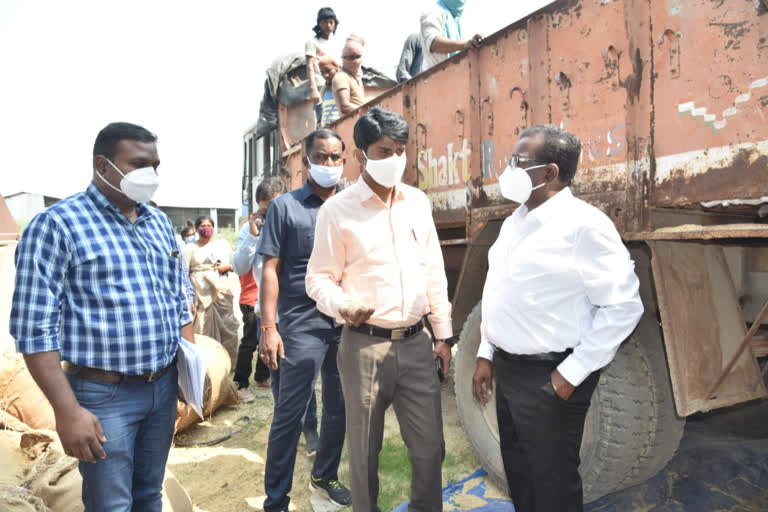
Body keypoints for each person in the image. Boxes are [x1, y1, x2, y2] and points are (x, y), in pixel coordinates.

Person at [10, 122, 194, 511]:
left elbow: (180, 298)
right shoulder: (58, 225)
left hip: (161, 388)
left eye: (155, 165)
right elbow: (33, 330)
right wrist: (67, 411)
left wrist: (188, 371)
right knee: (111, 505)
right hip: (103, 397)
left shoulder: (158, 223)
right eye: (139, 164)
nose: (151, 175)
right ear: (103, 165)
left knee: (149, 494)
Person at [471, 125, 644, 512]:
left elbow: (625, 306)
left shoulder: (585, 226)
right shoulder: (515, 220)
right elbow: (498, 289)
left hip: (550, 377)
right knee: (521, 475)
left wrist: (569, 375)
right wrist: (486, 352)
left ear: (549, 173)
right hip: (511, 372)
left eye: (518, 161)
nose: (508, 168)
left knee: (553, 487)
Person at [306, 107, 454, 512]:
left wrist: (443, 334)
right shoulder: (338, 211)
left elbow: (434, 271)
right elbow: (317, 278)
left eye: (401, 150)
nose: (395, 159)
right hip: (364, 348)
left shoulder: (417, 203)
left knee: (430, 449)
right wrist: (342, 303)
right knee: (364, 453)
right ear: (361, 155)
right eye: (384, 150)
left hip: (416, 344)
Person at [258, 128, 351, 511]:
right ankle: (276, 500)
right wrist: (269, 328)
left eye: (336, 157)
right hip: (299, 323)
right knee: (290, 413)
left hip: (345, 322)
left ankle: (324, 476)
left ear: (344, 161)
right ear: (305, 161)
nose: (329, 164)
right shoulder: (285, 208)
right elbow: (270, 270)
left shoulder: (351, 205)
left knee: (340, 406)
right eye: (322, 156)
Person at [231, 181, 285, 402]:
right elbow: (240, 266)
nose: (271, 215)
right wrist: (253, 237)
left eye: (275, 208)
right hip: (259, 299)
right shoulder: (250, 230)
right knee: (251, 342)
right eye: (265, 210)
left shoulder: (292, 222)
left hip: (288, 303)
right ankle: (241, 383)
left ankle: (267, 379)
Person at [183, 215, 240, 366]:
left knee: (227, 328)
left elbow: (234, 265)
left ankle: (228, 364)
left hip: (221, 295)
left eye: (209, 226)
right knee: (201, 328)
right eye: (202, 226)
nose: (206, 229)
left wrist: (225, 267)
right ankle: (204, 366)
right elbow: (183, 274)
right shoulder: (189, 249)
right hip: (201, 296)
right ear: (196, 229)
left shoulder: (222, 245)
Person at [420, 0, 483, 72]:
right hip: (437, 77)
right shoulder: (433, 11)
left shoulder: (457, 22)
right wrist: (465, 44)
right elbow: (434, 43)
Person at [306, 7, 342, 106]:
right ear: (319, 24)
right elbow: (310, 66)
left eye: (331, 22)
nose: (328, 25)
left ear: (335, 24)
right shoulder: (312, 42)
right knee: (323, 115)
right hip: (321, 85)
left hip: (336, 83)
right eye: (324, 22)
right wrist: (313, 89)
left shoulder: (336, 43)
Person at [332, 35, 366, 115]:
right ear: (343, 58)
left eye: (358, 57)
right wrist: (367, 113)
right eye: (350, 57)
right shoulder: (341, 77)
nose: (355, 61)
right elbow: (345, 106)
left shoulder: (356, 78)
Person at [317, 55, 341, 127]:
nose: (326, 75)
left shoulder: (343, 87)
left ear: (337, 69)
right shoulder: (323, 90)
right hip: (328, 131)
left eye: (328, 70)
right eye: (322, 73)